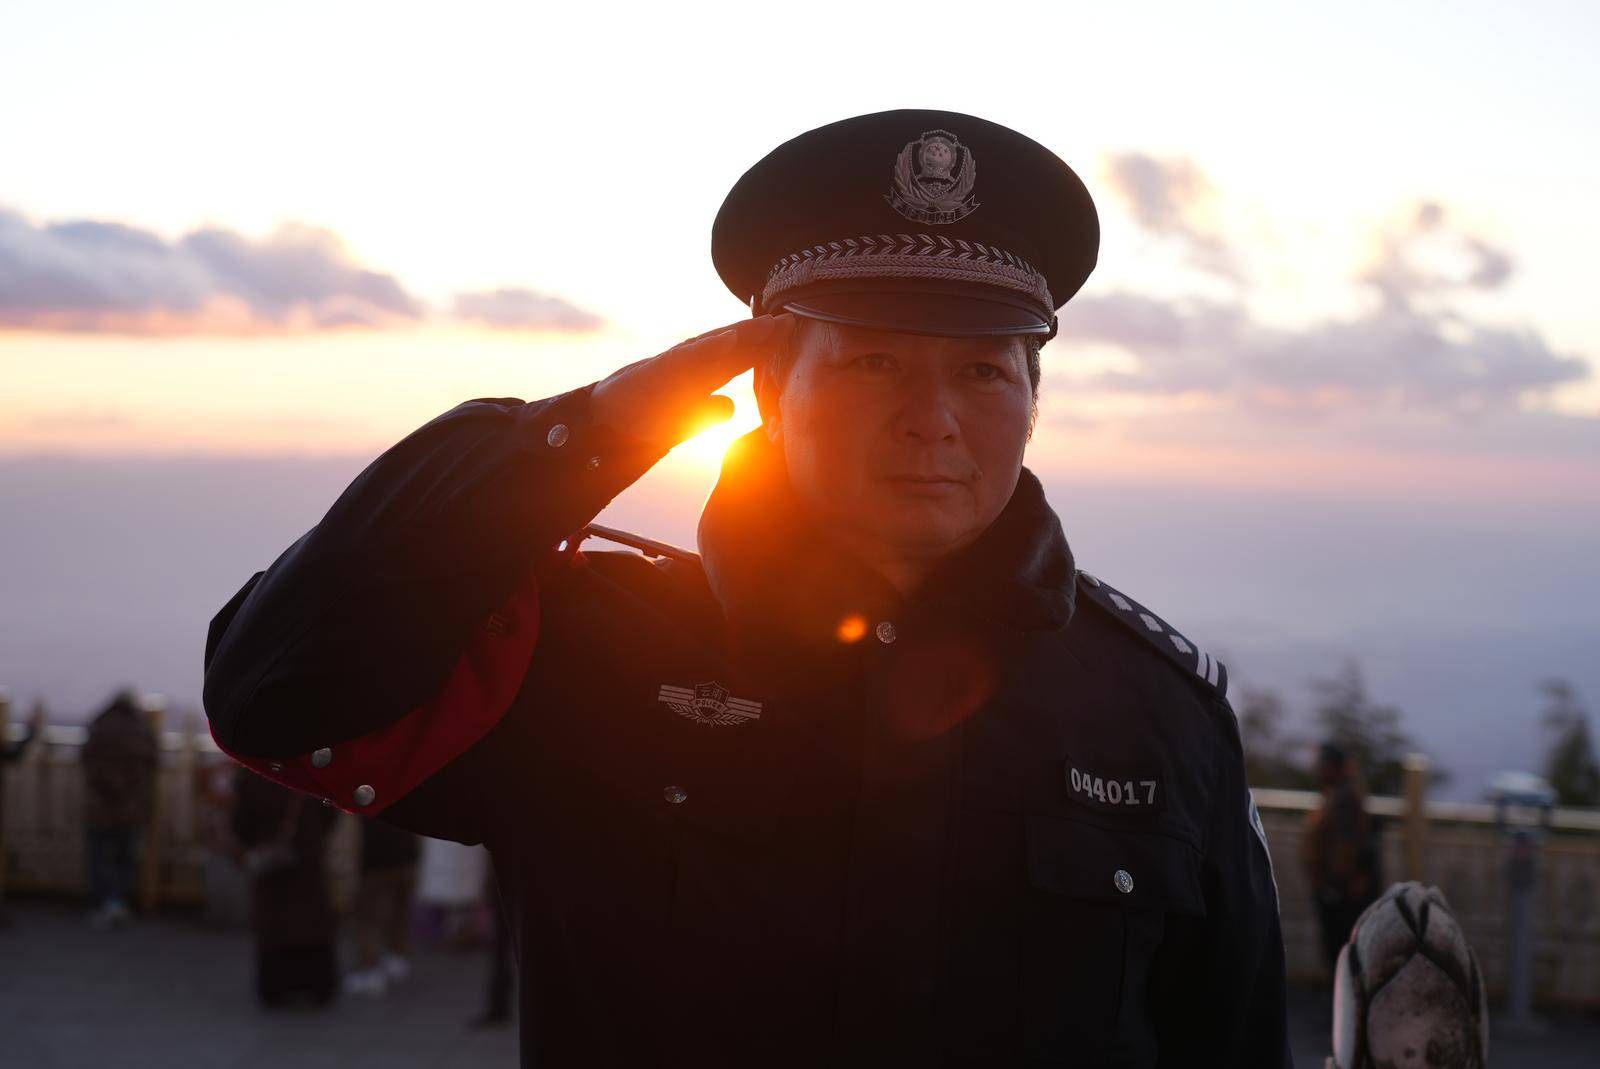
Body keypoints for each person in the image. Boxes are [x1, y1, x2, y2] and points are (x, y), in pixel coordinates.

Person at [204, 110, 1290, 1066]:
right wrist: (572, 437)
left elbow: (1224, 1035)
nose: (934, 419)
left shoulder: (1151, 709)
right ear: (770, 387)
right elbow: (278, 693)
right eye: (871, 361)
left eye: (982, 371)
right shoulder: (586, 655)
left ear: (1034, 398)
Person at [230, 765, 341, 1006]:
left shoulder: (254, 771)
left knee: (275, 924)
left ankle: (276, 986)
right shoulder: (314, 768)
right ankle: (317, 984)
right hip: (308, 860)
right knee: (311, 920)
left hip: (271, 868)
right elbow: (331, 811)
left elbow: (241, 823)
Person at [1303, 741, 1382, 976]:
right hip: (1338, 892)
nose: (1319, 769)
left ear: (1333, 767)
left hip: (1343, 896)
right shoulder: (1339, 795)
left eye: (1323, 764)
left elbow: (1346, 848)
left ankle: (1342, 1009)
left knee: (1343, 957)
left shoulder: (1346, 799)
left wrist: (1333, 888)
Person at [80, 689, 157, 930]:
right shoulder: (141, 729)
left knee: (98, 858)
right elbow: (154, 760)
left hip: (99, 806)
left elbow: (85, 758)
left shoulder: (99, 725)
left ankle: (99, 905)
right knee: (126, 857)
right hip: (130, 806)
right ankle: (120, 903)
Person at [344, 816, 420, 995]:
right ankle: (397, 956)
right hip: (404, 852)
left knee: (368, 917)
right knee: (398, 910)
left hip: (373, 856)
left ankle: (370, 967)